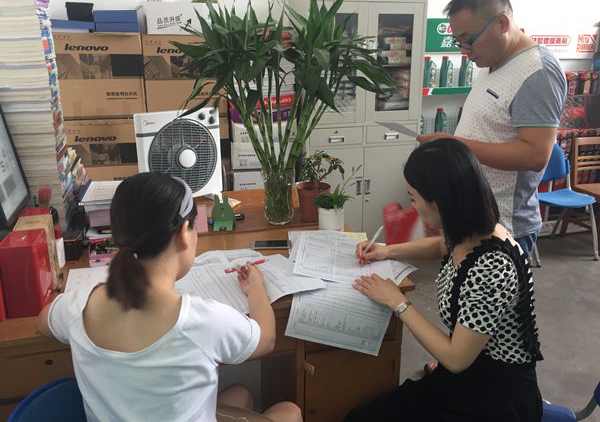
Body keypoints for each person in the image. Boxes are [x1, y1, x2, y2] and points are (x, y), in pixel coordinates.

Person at [38, 172, 301, 422]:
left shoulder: (80, 305)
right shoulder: (202, 321)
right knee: (289, 412)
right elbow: (266, 339)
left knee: (240, 394)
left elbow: (44, 321)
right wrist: (256, 288)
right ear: (185, 232)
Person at [344, 139, 543, 422]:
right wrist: (386, 251)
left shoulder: (492, 266)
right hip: (466, 377)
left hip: (495, 397)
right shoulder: (469, 231)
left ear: (440, 200)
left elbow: (455, 359)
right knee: (360, 417)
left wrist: (398, 301)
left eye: (413, 197)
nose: (412, 206)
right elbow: (441, 246)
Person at [418, 0, 567, 256]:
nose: (465, 50)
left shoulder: (537, 72)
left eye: (469, 39)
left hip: (503, 226)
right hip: (473, 218)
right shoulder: (491, 62)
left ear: (501, 23)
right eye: (458, 42)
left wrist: (455, 145)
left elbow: (535, 155)